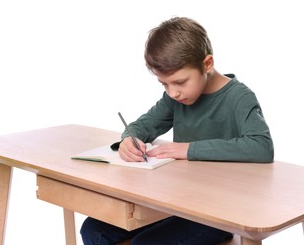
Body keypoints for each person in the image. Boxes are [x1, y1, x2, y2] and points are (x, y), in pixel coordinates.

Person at [80, 17, 274, 245]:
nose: (173, 93)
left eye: (180, 82)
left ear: (207, 64)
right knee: (93, 230)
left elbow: (262, 147)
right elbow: (143, 125)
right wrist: (129, 140)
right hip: (176, 202)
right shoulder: (176, 99)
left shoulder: (239, 98)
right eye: (164, 84)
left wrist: (188, 149)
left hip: (219, 212)